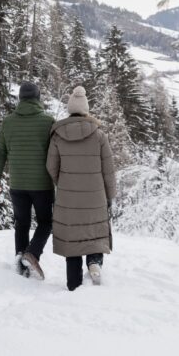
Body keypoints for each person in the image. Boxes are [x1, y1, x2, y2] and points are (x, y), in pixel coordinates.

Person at [46, 86, 117, 291]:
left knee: (72, 238)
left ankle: (73, 284)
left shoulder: (58, 135)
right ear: (86, 110)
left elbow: (51, 166)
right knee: (94, 232)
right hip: (95, 196)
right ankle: (94, 262)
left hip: (68, 198)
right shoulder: (99, 135)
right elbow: (109, 169)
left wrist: (64, 183)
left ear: (70, 109)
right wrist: (110, 195)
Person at [0, 81, 55, 280]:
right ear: (38, 98)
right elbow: (56, 154)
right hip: (42, 185)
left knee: (22, 223)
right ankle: (32, 254)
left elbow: (0, 152)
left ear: (20, 99)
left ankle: (21, 261)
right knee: (46, 222)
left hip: (17, 184)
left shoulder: (8, 122)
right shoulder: (48, 121)